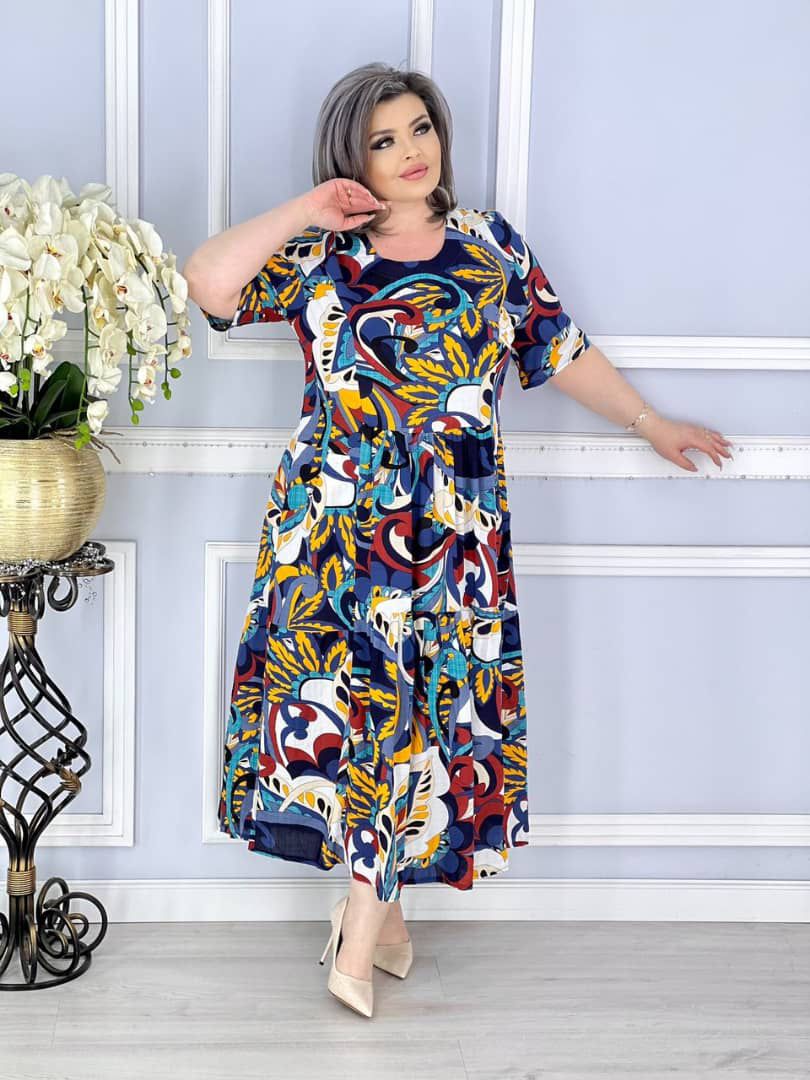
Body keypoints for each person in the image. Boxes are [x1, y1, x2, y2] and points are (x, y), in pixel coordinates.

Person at [183, 61, 733, 1019]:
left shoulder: (489, 246)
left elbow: (560, 348)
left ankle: (377, 923)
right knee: (364, 724)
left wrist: (651, 423)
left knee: (423, 723)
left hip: (456, 532)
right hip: (333, 528)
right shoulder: (321, 254)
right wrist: (308, 208)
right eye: (382, 140)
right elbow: (208, 281)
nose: (410, 151)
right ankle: (367, 935)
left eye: (419, 129)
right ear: (352, 159)